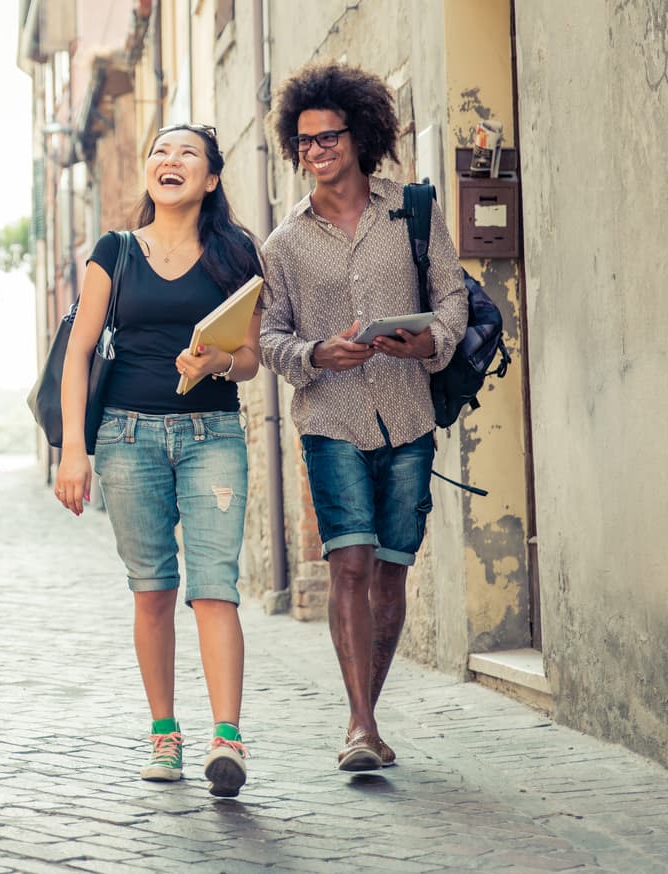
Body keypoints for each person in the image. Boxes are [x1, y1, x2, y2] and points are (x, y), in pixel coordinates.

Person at [260, 62, 468, 771]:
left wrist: (429, 342)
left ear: (360, 135)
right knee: (347, 561)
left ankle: (367, 715)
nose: (316, 151)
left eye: (329, 137)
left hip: (408, 414)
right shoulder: (283, 243)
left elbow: (452, 297)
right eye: (304, 141)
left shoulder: (412, 211)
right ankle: (359, 725)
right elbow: (269, 338)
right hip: (330, 418)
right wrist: (317, 353)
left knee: (390, 572)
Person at [54, 124, 264, 798]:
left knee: (214, 587)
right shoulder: (113, 252)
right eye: (159, 152)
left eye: (186, 154)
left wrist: (216, 362)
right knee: (152, 590)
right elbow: (79, 353)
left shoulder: (235, 254)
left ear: (210, 179)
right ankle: (165, 735)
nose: (168, 161)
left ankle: (227, 739)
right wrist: (73, 451)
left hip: (213, 436)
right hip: (126, 438)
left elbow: (253, 360)